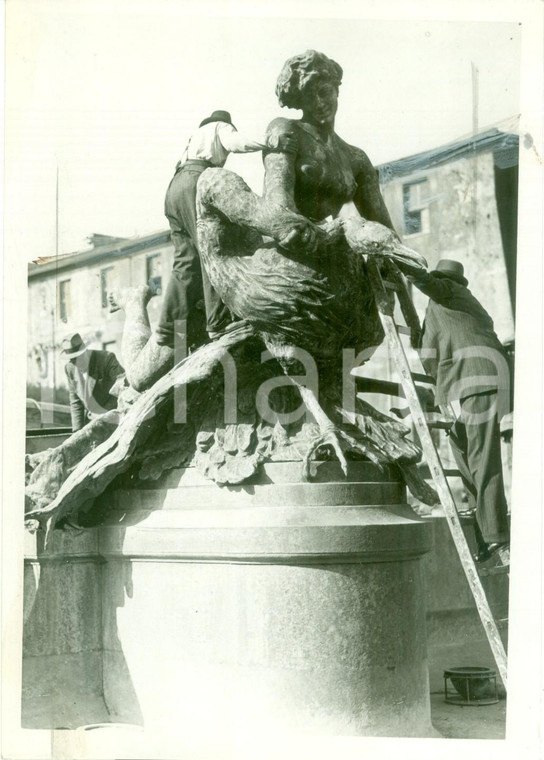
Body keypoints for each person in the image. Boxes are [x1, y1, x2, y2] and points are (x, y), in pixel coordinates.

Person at [109, 109, 295, 391]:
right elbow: (237, 142)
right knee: (211, 248)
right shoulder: (217, 127)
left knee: (187, 259)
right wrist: (270, 141)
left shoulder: (192, 140)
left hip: (175, 187)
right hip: (195, 182)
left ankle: (174, 321)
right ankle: (217, 321)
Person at [407, 259, 512, 564]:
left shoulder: (447, 291)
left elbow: (426, 282)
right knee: (461, 446)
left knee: (482, 456)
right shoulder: (448, 309)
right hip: (476, 381)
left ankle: (497, 538)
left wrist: (403, 265)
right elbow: (430, 352)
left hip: (479, 379)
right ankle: (484, 535)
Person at [61, 333, 125, 432]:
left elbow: (124, 388)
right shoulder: (69, 368)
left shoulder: (107, 359)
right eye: (73, 360)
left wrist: (104, 415)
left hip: (114, 422)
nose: (77, 363)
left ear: (85, 351)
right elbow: (75, 401)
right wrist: (77, 432)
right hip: (91, 424)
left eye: (79, 357)